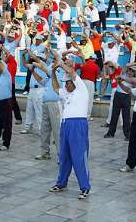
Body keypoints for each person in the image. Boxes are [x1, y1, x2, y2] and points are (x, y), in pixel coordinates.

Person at [49, 60, 90, 199]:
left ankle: (85, 187)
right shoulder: (66, 93)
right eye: (65, 83)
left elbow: (72, 73)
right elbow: (55, 88)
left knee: (79, 156)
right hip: (66, 125)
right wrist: (53, 72)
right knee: (64, 156)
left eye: (68, 82)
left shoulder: (81, 88)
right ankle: (61, 182)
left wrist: (60, 64)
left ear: (73, 82)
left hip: (78, 125)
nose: (66, 85)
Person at [104, 65, 135, 140]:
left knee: (126, 117)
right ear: (127, 70)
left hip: (126, 97)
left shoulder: (134, 79)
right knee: (114, 115)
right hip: (117, 95)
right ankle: (111, 133)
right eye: (130, 70)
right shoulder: (122, 74)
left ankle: (127, 135)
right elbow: (125, 66)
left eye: (133, 71)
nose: (130, 72)